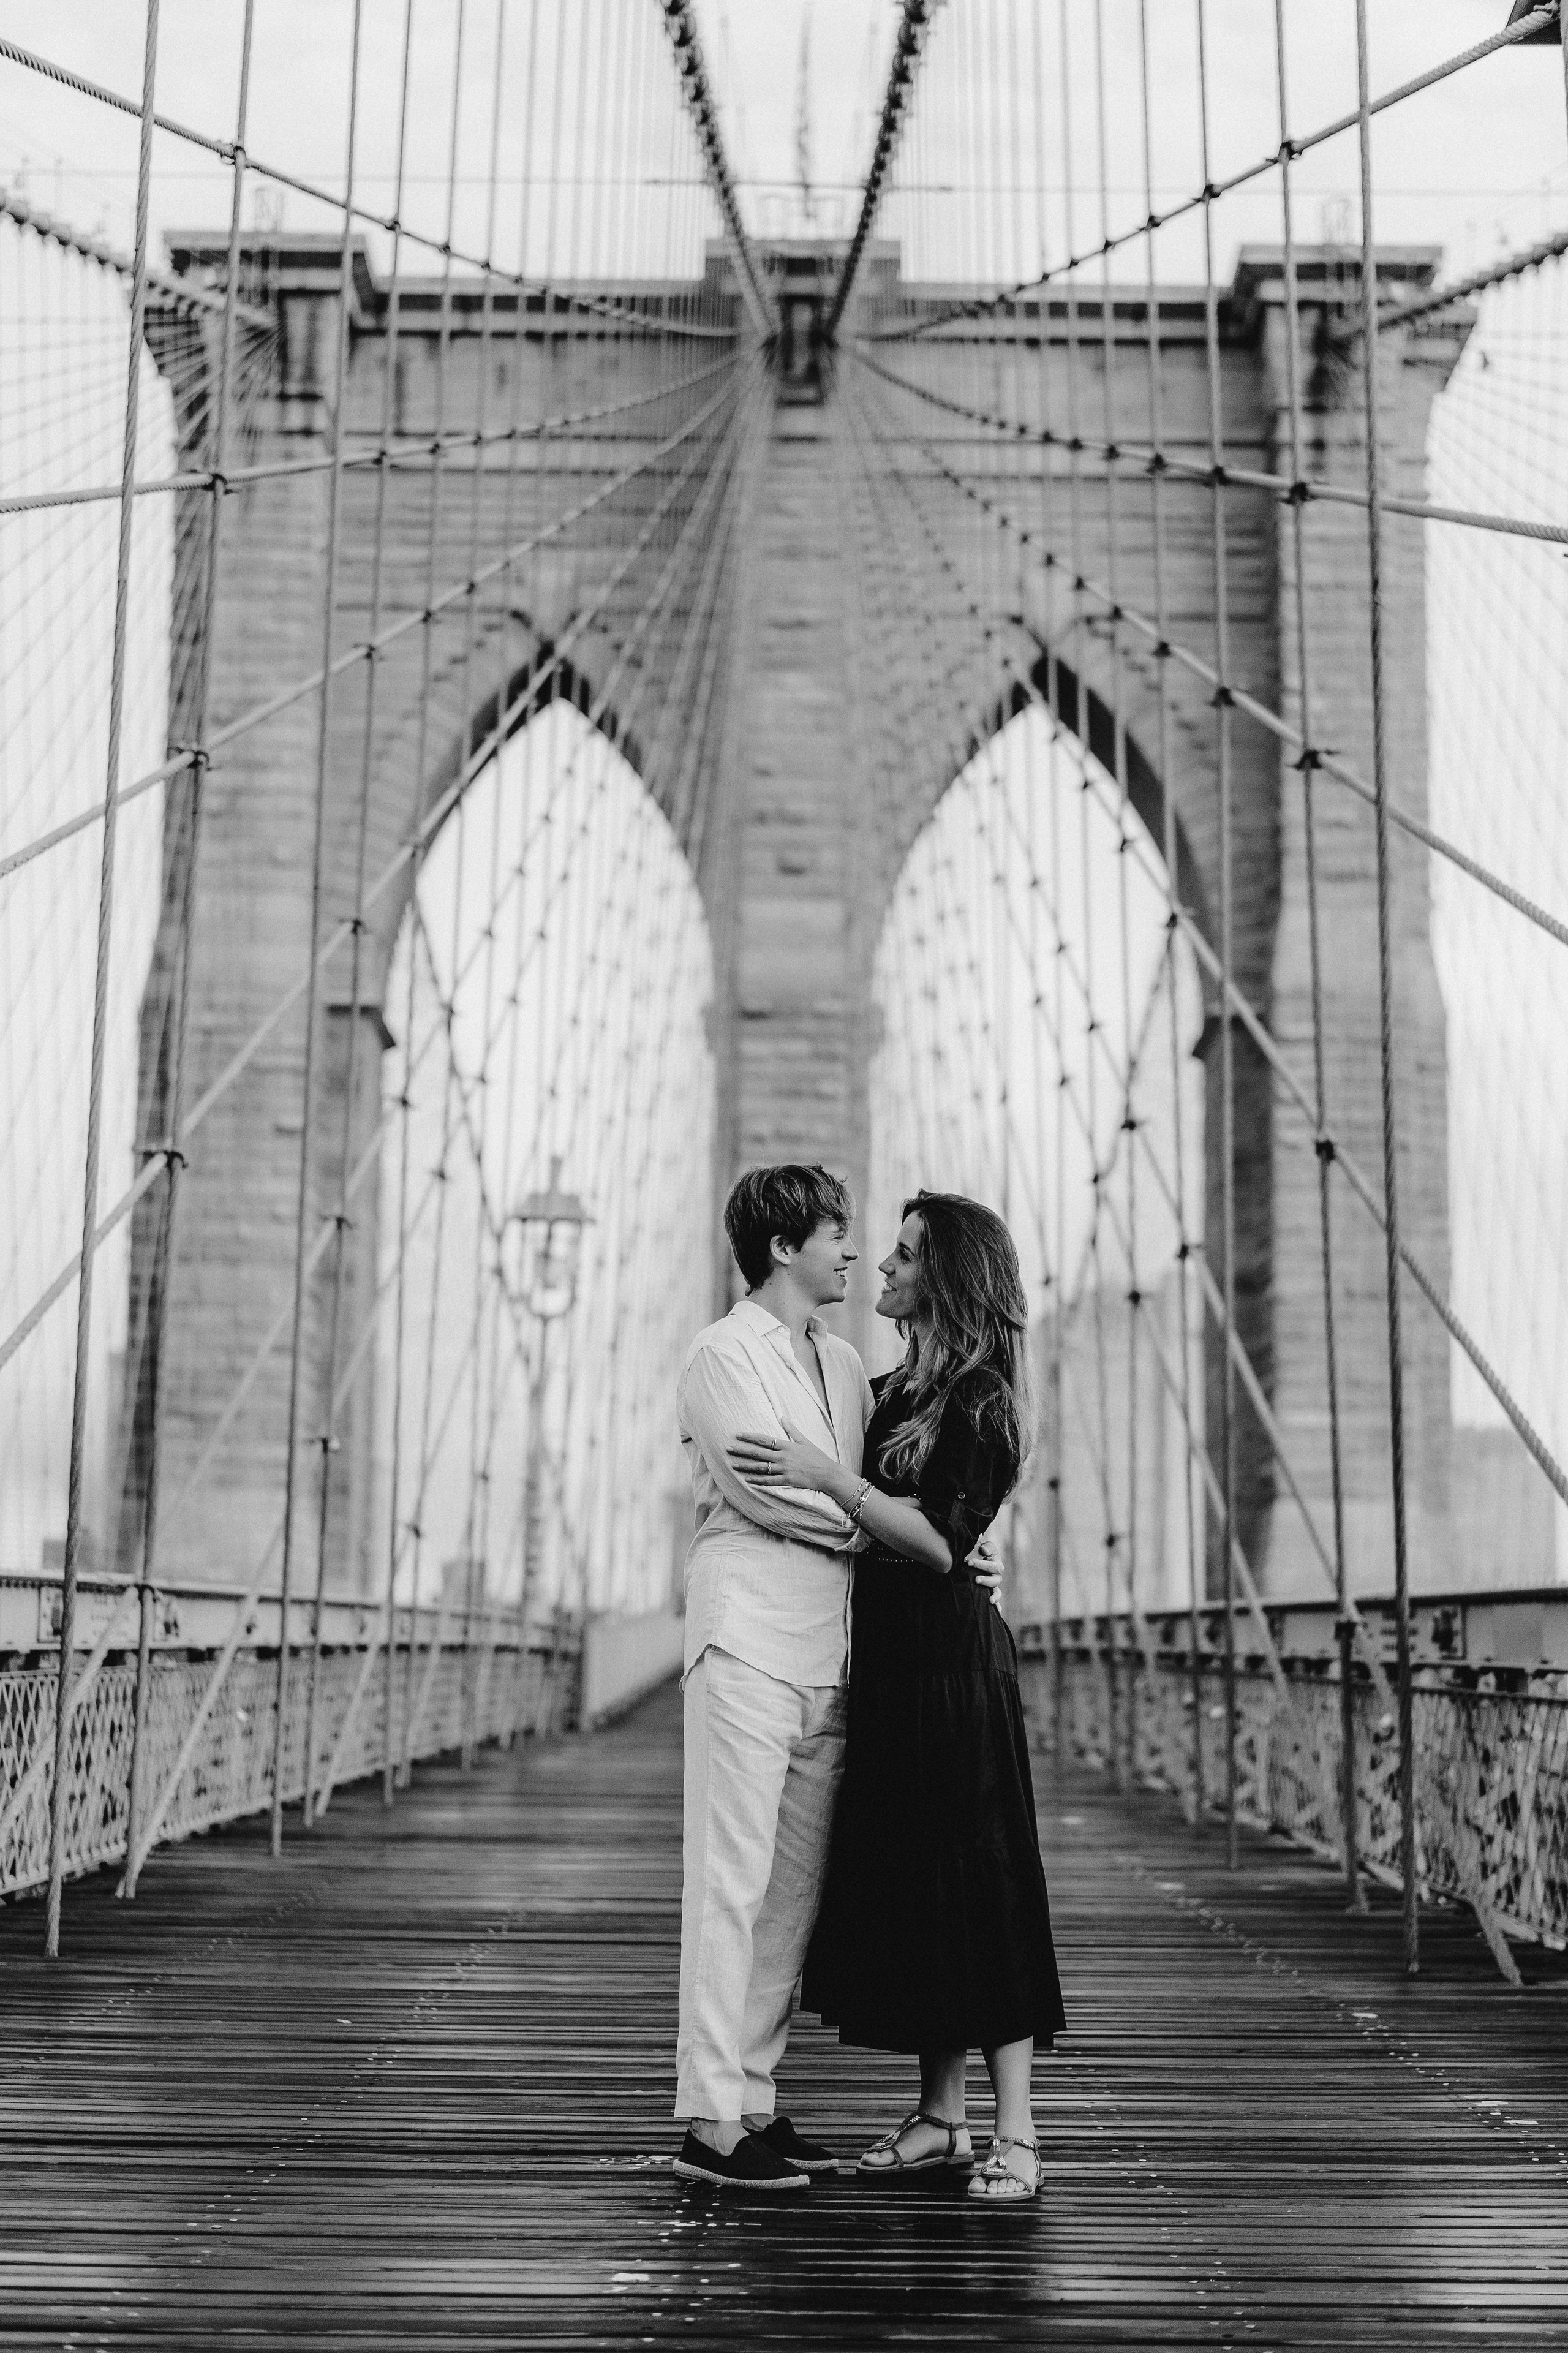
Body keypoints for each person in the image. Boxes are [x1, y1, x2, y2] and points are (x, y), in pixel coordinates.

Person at [672, 1164, 1005, 2194]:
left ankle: (756, 2101)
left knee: (790, 1897)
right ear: (784, 1248)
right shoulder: (721, 1357)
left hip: (836, 1654)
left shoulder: (850, 1363)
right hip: (746, 1642)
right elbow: (771, 1500)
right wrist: (911, 1542)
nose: (855, 1252)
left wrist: (948, 1541)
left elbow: (900, 1487)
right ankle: (707, 2117)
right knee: (728, 1883)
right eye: (838, 1234)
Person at [729, 1190, 1066, 2207]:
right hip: (891, 1662)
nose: (883, 1265)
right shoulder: (889, 1390)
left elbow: (936, 1539)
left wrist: (834, 1480)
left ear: (947, 1278)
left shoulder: (984, 1398)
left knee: (982, 1880)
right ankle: (940, 2116)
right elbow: (915, 1528)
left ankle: (1018, 2130)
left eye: (907, 1255)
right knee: (922, 1880)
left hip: (958, 1669)